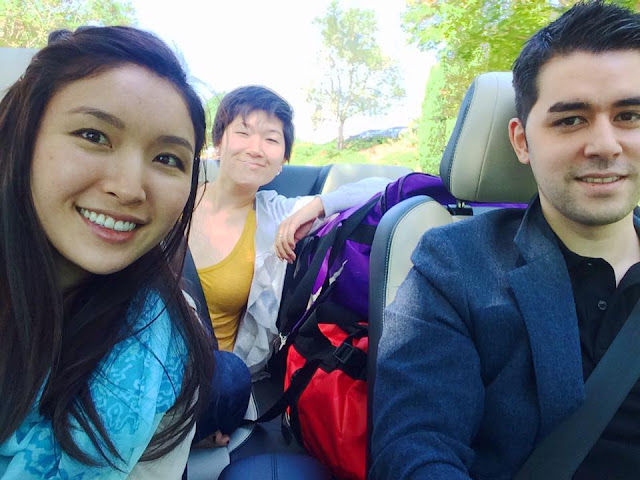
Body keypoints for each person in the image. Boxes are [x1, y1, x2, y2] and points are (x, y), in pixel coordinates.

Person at [370, 2, 640, 479]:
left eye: (630, 115)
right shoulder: (455, 266)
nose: (604, 145)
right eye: (570, 120)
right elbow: (415, 447)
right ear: (521, 141)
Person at [0, 26, 215, 478]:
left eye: (167, 159)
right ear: (22, 137)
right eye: (93, 135)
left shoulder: (172, 353)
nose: (129, 188)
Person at [189, 85, 389, 383]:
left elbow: (390, 187)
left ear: (282, 161)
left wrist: (319, 206)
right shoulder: (175, 195)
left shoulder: (277, 214)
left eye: (271, 139)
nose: (255, 148)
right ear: (218, 143)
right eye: (243, 132)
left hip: (211, 377)